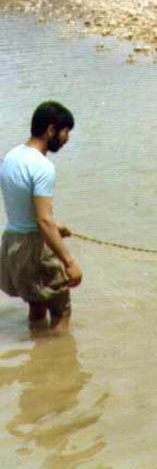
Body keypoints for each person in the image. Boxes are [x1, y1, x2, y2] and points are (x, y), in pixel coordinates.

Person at [0, 101, 82, 335]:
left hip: (11, 245)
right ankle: (58, 357)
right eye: (65, 132)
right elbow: (42, 221)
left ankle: (37, 353)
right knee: (60, 310)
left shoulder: (11, 157)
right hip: (34, 247)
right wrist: (69, 263)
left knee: (36, 306)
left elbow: (23, 210)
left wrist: (54, 226)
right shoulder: (43, 167)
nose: (67, 138)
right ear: (51, 130)